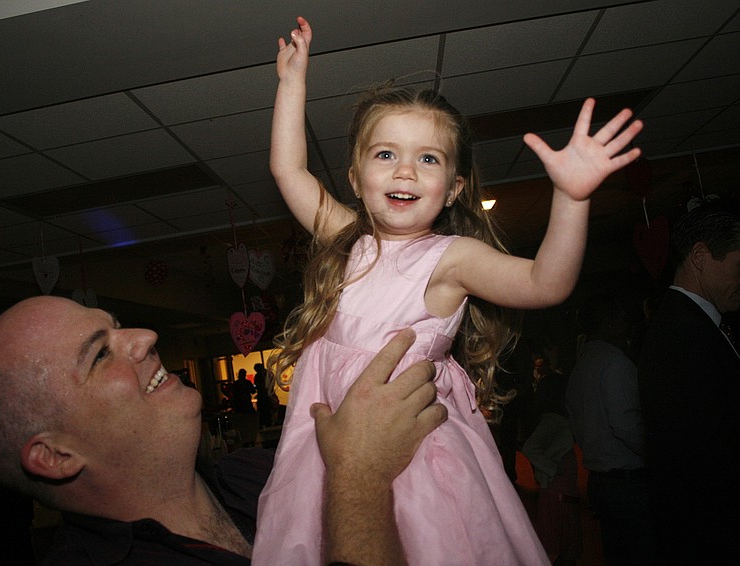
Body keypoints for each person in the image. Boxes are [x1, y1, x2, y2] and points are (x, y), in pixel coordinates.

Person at [254, 16, 643, 566]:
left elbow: (545, 283)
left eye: (427, 158)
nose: (405, 170)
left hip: (413, 453)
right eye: (385, 154)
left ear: (454, 188)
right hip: (327, 445)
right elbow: (287, 168)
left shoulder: (449, 260)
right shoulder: (348, 242)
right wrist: (292, 83)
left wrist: (571, 199)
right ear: (356, 176)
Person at [0, 296, 446, 565]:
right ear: (56, 456)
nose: (146, 337)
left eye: (119, 325)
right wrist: (359, 478)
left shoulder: (264, 471)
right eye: (100, 354)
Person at [637, 197, 740, 565]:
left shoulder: (690, 323)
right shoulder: (681, 334)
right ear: (700, 256)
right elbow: (707, 454)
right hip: (711, 534)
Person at [565, 293, 654, 566]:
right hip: (627, 484)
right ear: (611, 322)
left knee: (616, 553)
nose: (627, 322)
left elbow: (577, 426)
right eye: (622, 317)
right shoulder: (615, 364)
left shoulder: (580, 368)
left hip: (599, 482)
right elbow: (628, 425)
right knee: (643, 553)